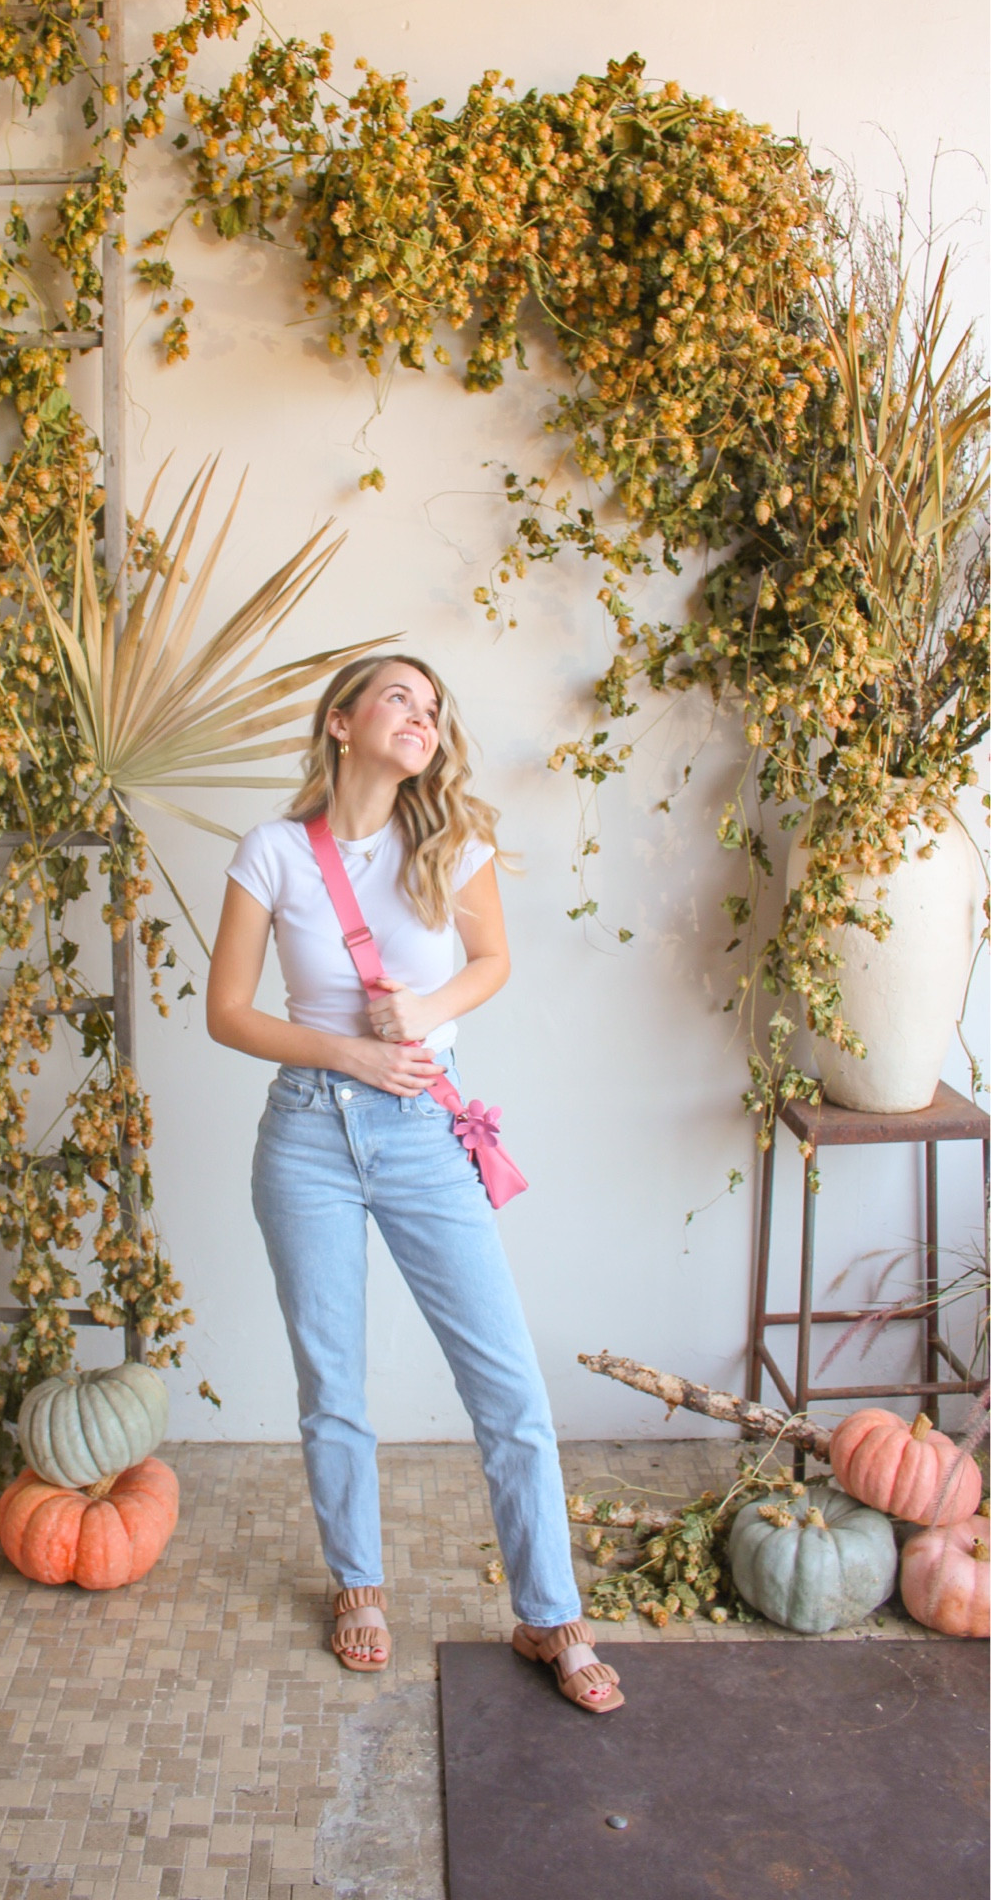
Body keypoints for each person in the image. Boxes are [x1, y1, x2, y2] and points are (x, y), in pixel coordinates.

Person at [205, 655, 623, 1713]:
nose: (421, 715)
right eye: (399, 696)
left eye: (433, 707)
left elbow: (492, 962)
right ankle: (357, 1582)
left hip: (428, 1135)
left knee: (507, 1386)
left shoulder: (449, 840)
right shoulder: (271, 851)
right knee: (332, 1381)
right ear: (340, 721)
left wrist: (423, 1009)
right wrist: (348, 1052)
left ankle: (550, 1610)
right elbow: (228, 1011)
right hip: (306, 1134)